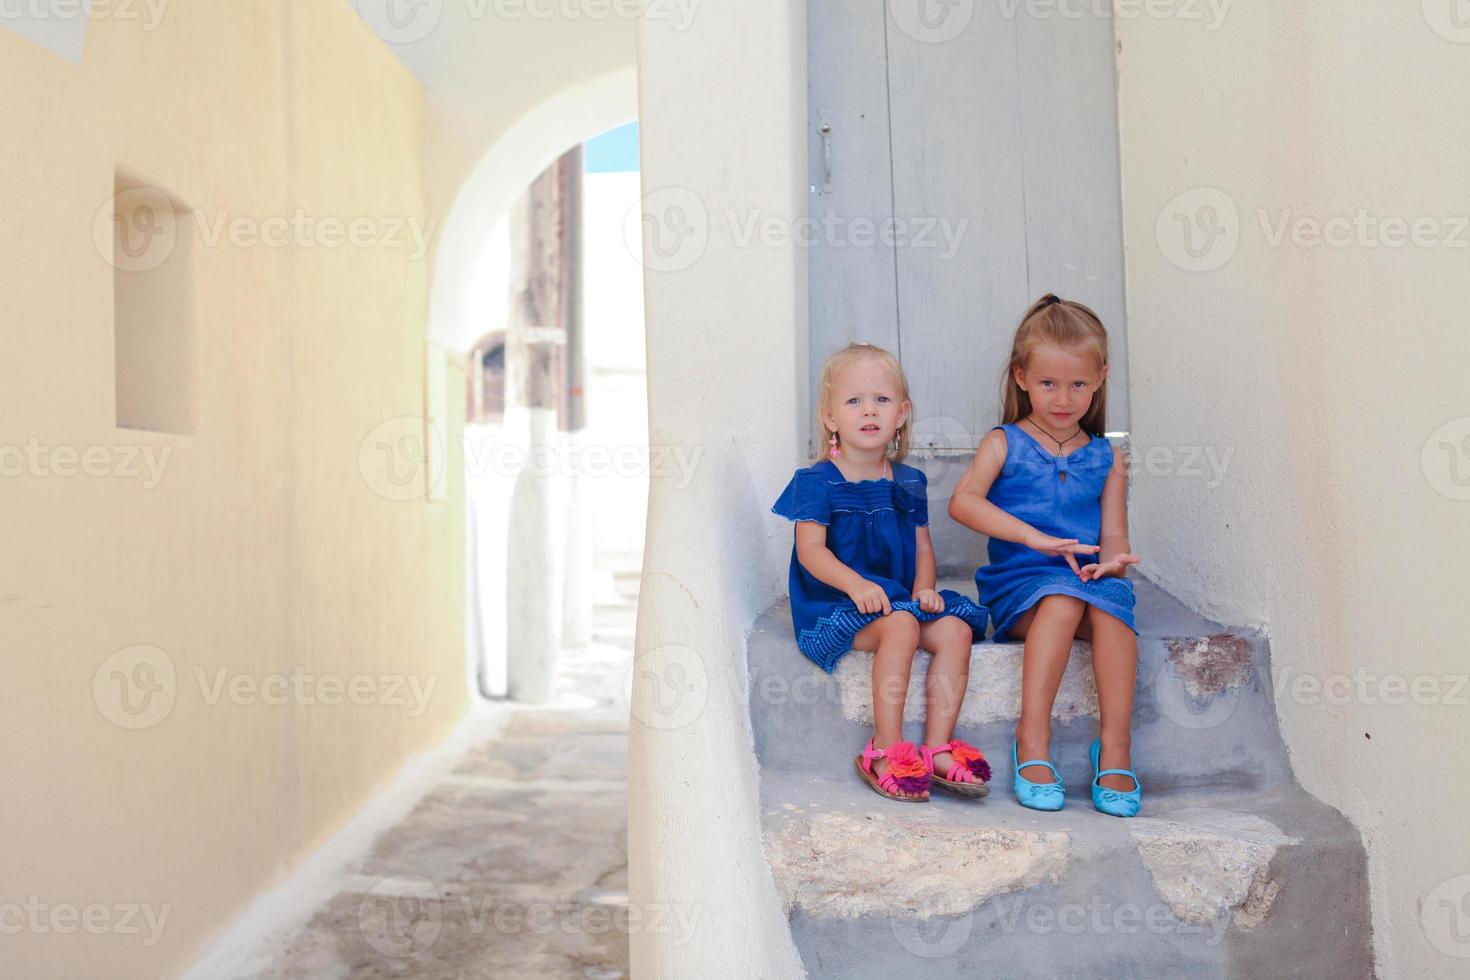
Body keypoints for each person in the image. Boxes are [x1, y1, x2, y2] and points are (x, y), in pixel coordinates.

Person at [949, 295, 1143, 817]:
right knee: (1062, 602)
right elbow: (963, 502)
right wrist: (1034, 539)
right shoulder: (1004, 442)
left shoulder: (1107, 457)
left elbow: (1114, 535)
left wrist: (1115, 561)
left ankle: (1116, 748)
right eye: (1048, 384)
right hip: (1024, 583)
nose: (1063, 398)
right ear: (1021, 378)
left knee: (1113, 610)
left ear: (1100, 379)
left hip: (1088, 577)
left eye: (1078, 384)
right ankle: (1032, 740)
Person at [772, 343, 991, 802]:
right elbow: (811, 552)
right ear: (830, 417)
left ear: (902, 413)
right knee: (903, 625)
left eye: (882, 400)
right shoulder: (817, 482)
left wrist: (926, 587)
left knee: (954, 630)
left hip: (897, 598)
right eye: (854, 401)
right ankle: (885, 748)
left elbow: (922, 546)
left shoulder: (908, 481)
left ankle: (936, 747)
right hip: (836, 605)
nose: (868, 410)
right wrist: (856, 585)